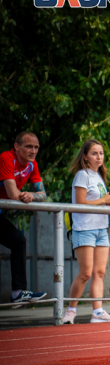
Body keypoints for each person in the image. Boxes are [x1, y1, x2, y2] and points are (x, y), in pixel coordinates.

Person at [63, 139, 110, 324]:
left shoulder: (99, 177)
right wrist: (104, 200)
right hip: (84, 228)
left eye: (101, 153)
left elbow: (100, 202)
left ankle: (98, 312)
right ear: (85, 157)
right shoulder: (82, 175)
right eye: (94, 153)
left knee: (100, 272)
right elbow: (79, 203)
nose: (99, 156)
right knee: (85, 273)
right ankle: (70, 311)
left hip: (101, 228)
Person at [0, 131, 48, 306]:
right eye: (29, 146)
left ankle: (18, 292)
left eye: (36, 147)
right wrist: (24, 195)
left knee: (19, 241)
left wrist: (31, 195)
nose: (33, 150)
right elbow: (13, 194)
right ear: (16, 147)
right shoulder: (6, 158)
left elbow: (42, 195)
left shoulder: (31, 164)